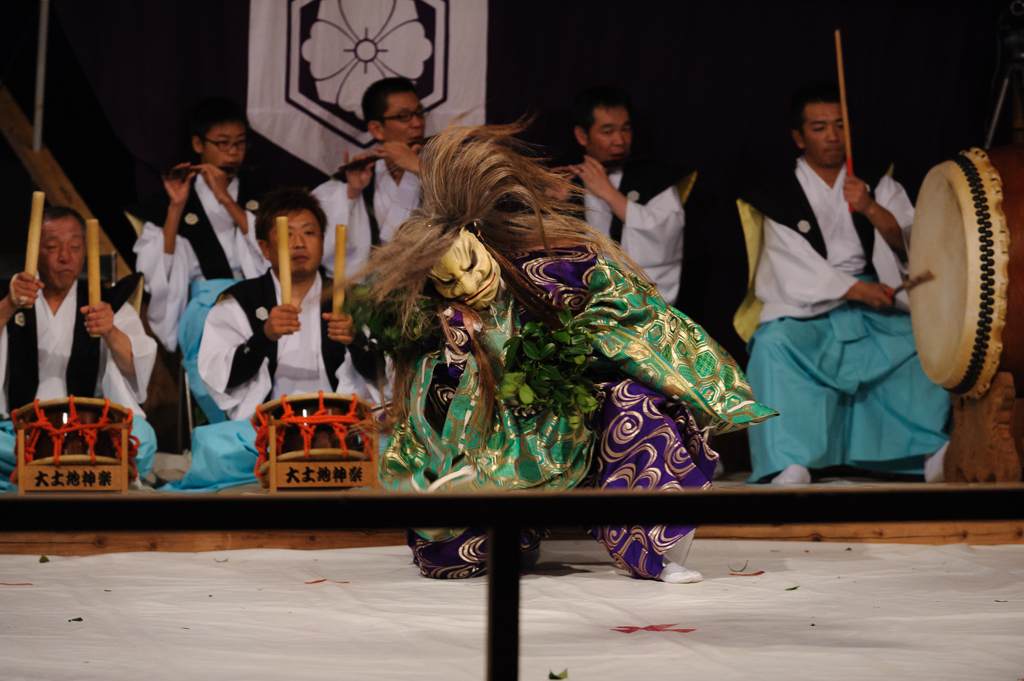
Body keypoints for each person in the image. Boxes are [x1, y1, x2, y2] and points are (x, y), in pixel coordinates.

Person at [354, 123, 775, 583]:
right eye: (451, 283)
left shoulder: (548, 270)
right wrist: (457, 357)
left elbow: (632, 315)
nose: (470, 285)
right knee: (450, 559)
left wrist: (701, 385)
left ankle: (650, 552)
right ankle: (509, 531)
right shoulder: (438, 327)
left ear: (480, 237)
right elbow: (430, 418)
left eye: (473, 267)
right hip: (494, 443)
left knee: (638, 406)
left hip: (570, 422)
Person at [735, 80, 949, 485]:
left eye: (839, 125)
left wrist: (868, 206)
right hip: (813, 304)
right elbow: (788, 264)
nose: (832, 136)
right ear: (799, 136)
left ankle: (927, 450)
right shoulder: (777, 197)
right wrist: (854, 289)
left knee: (925, 343)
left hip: (881, 295)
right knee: (774, 347)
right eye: (819, 127)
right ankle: (789, 462)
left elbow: (913, 241)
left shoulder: (878, 182)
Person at [165, 188, 368, 492]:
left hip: (341, 426)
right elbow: (219, 376)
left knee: (394, 440)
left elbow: (386, 374)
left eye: (310, 232)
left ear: (323, 242)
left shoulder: (352, 299)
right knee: (216, 448)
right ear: (264, 248)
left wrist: (355, 341)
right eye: (288, 234)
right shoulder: (241, 300)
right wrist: (264, 336)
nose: (300, 242)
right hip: (268, 431)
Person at [0, 207, 157, 491]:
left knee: (142, 439)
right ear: (34, 250)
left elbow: (136, 366)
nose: (65, 257)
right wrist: (8, 305)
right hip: (22, 432)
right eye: (51, 247)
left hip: (89, 431)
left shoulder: (105, 302)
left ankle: (51, 471)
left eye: (74, 247)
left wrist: (109, 330)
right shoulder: (8, 296)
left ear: (85, 251)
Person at [130, 97, 269, 352]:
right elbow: (155, 271)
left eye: (240, 143)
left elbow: (275, 252)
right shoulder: (170, 202)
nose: (233, 152)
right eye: (223, 143)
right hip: (203, 308)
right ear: (198, 144)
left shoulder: (260, 198)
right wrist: (176, 207)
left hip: (257, 302)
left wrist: (226, 200)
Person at [555, 86, 691, 306]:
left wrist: (608, 192)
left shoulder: (655, 177)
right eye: (607, 132)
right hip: (584, 305)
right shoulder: (571, 182)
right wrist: (556, 205)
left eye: (625, 129)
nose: (620, 141)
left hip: (643, 305)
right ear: (582, 135)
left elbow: (667, 234)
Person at [313, 77, 426, 277]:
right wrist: (352, 192)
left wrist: (420, 169)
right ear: (376, 129)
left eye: (419, 113)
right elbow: (324, 246)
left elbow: (477, 209)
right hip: (367, 297)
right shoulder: (363, 175)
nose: (417, 123)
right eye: (404, 116)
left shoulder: (442, 169)